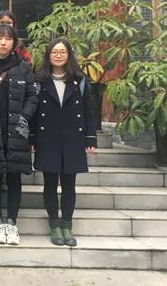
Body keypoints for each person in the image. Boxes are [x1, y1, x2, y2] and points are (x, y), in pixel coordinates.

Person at [0, 24, 39, 246]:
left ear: (14, 42)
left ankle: (11, 222)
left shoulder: (23, 67)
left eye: (8, 38)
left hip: (16, 129)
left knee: (14, 176)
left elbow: (32, 96)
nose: (3, 42)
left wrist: (24, 117)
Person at [32, 38, 97, 247]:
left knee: (69, 184)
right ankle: (54, 224)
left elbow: (88, 110)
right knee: (50, 184)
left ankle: (67, 224)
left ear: (69, 55)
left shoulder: (80, 80)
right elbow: (33, 112)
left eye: (62, 52)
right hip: (47, 138)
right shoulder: (39, 80)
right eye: (54, 52)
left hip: (72, 138)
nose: (58, 55)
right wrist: (31, 138)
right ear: (48, 56)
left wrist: (90, 137)